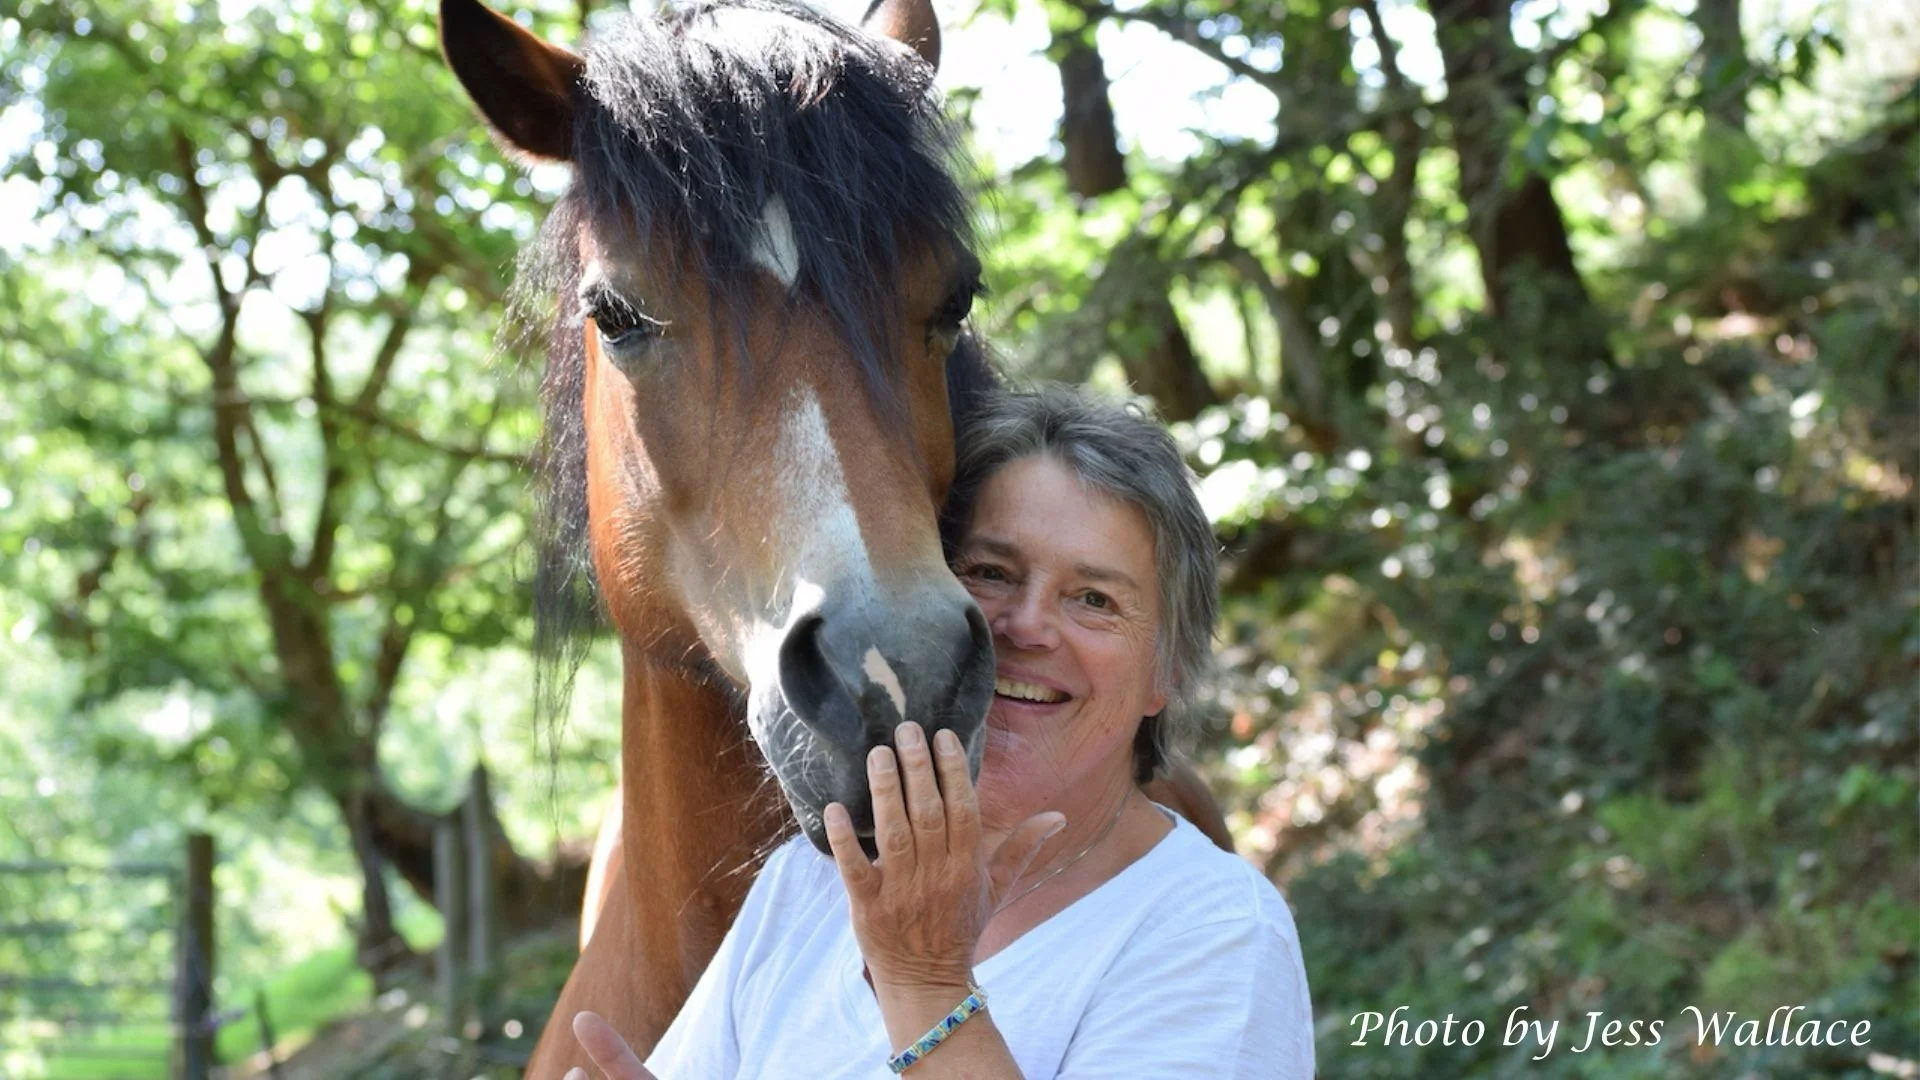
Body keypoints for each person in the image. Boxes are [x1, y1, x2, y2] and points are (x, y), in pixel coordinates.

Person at [563, 385, 1315, 1079]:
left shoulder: (1216, 932)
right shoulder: (813, 880)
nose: (1026, 625)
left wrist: (924, 980)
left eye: (1093, 598)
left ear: (1167, 674)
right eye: (991, 572)